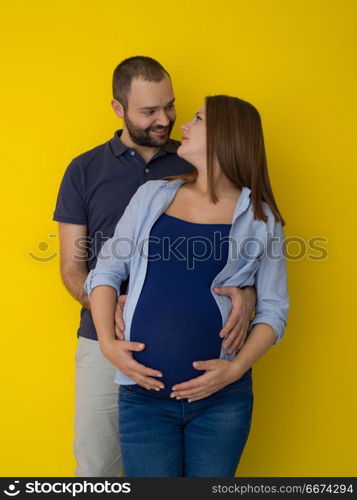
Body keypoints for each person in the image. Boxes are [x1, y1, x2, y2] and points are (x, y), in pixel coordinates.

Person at [53, 57, 257, 477]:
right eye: (149, 111)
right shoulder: (84, 170)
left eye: (171, 106)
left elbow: (241, 249)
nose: (164, 119)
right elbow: (74, 267)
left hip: (196, 366)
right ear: (118, 109)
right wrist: (110, 317)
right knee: (96, 468)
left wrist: (248, 293)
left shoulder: (194, 163)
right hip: (102, 341)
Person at [84, 95, 290, 477]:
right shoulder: (152, 196)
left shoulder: (262, 219)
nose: (185, 127)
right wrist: (108, 346)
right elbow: (107, 270)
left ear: (227, 136)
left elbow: (275, 310)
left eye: (197, 119)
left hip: (223, 401)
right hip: (142, 398)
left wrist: (235, 369)